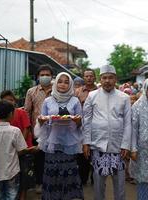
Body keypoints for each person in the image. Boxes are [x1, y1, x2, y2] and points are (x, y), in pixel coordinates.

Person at [82, 65, 131, 200]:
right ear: (100, 79)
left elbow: (128, 123)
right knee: (98, 184)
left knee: (119, 184)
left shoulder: (124, 97)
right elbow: (86, 120)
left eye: (110, 78)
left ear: (115, 79)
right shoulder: (92, 96)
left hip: (118, 147)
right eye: (104, 78)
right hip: (98, 146)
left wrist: (126, 144)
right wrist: (86, 142)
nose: (107, 81)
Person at [36, 72, 84, 200]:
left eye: (66, 82)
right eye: (60, 81)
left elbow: (81, 123)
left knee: (69, 175)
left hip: (69, 144)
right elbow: (42, 122)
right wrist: (41, 121)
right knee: (53, 174)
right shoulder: (48, 101)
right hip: (52, 143)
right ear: (55, 83)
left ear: (70, 85)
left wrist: (78, 121)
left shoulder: (75, 101)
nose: (63, 84)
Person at [0, 101, 36, 200]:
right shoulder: (15, 131)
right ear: (11, 114)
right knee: (12, 196)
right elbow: (22, 150)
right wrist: (32, 149)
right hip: (11, 171)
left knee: (0, 196)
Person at [24, 64, 53, 192]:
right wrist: (29, 130)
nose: (45, 77)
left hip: (54, 130)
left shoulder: (58, 90)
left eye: (47, 75)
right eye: (42, 75)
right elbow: (27, 112)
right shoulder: (31, 91)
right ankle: (40, 183)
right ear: (37, 77)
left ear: (52, 77)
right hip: (38, 131)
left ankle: (53, 182)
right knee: (39, 158)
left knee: (53, 156)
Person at [74, 69, 98, 185]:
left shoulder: (100, 91)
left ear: (95, 78)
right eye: (86, 76)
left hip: (97, 127)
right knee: (83, 154)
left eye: (91, 76)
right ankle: (83, 179)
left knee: (95, 152)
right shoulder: (77, 92)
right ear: (84, 78)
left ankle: (95, 179)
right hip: (82, 126)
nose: (89, 78)